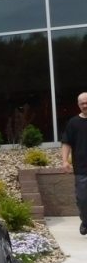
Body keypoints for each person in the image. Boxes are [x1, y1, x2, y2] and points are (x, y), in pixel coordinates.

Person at [61, 92, 87, 235]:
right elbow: (66, 143)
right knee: (83, 200)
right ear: (78, 105)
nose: (85, 105)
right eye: (82, 103)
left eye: (86, 102)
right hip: (82, 169)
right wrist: (65, 161)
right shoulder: (73, 123)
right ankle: (85, 220)